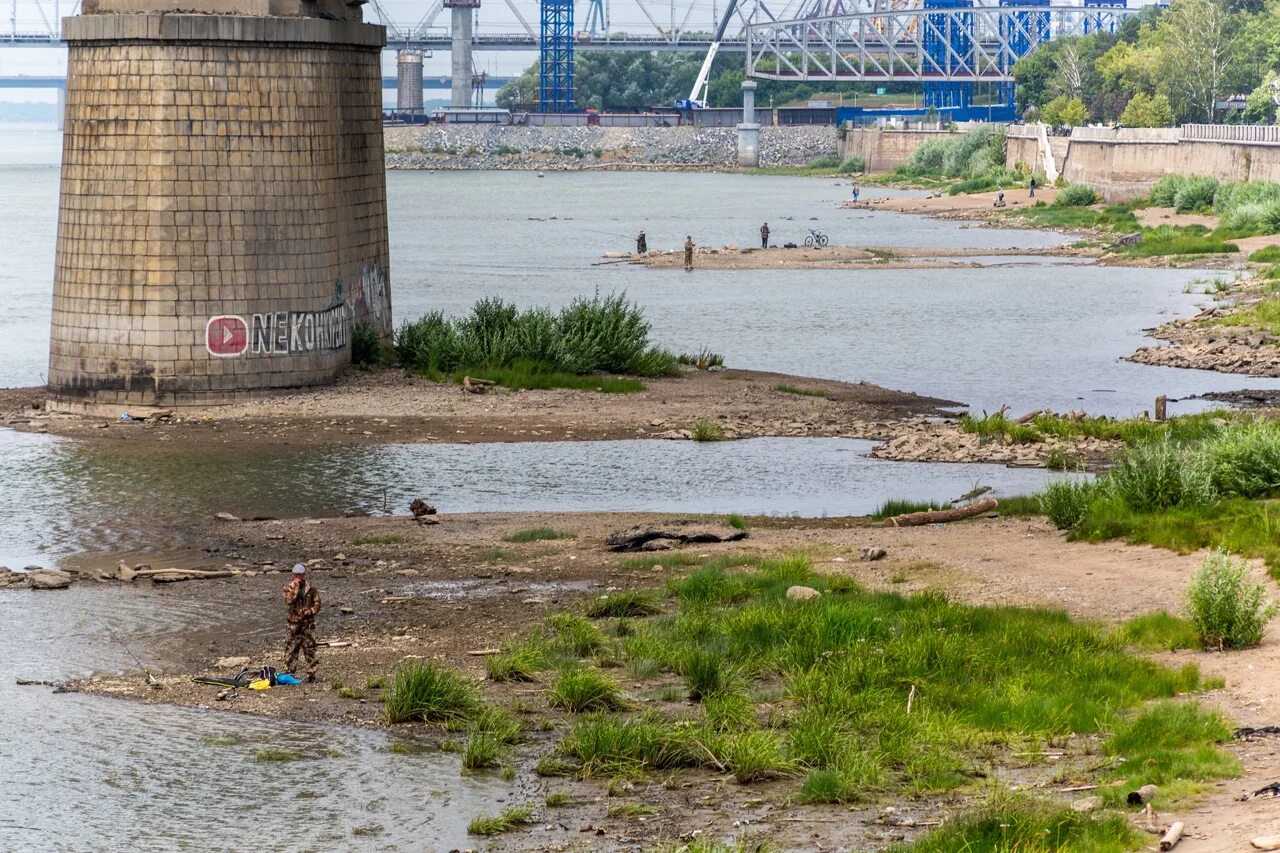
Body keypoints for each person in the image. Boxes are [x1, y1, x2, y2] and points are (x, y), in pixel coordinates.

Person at [283, 563, 321, 682]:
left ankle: (312, 674)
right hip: (293, 624)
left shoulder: (311, 588)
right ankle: (289, 673)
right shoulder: (288, 587)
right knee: (291, 648)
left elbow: (317, 602)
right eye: (297, 574)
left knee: (310, 648)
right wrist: (296, 588)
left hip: (307, 623)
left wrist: (312, 610)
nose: (299, 576)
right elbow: (289, 601)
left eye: (301, 574)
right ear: (293, 574)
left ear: (304, 574)